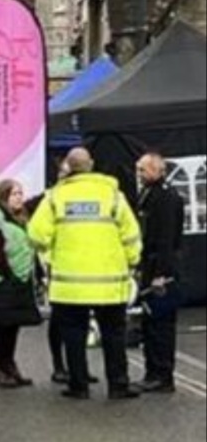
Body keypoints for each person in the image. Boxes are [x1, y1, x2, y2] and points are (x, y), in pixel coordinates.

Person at [28, 147, 144, 401]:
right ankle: (118, 385)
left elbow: (36, 234)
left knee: (73, 334)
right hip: (109, 282)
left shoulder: (55, 197)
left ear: (68, 167)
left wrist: (50, 255)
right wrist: (132, 262)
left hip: (70, 285)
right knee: (113, 334)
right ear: (91, 164)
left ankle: (79, 385)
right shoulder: (113, 195)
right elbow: (132, 234)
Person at [0, 180, 40, 389]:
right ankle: (0, 370)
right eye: (14, 193)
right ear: (3, 195)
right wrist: (7, 274)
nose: (19, 197)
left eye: (20, 193)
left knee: (13, 327)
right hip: (0, 279)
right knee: (2, 327)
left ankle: (10, 367)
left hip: (20, 278)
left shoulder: (21, 217)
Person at [135, 152, 185, 394]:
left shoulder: (165, 197)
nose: (139, 174)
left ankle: (162, 375)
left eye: (143, 170)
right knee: (150, 323)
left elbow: (165, 238)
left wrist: (160, 274)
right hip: (150, 265)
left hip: (161, 269)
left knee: (161, 325)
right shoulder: (150, 193)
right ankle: (152, 371)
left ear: (157, 170)